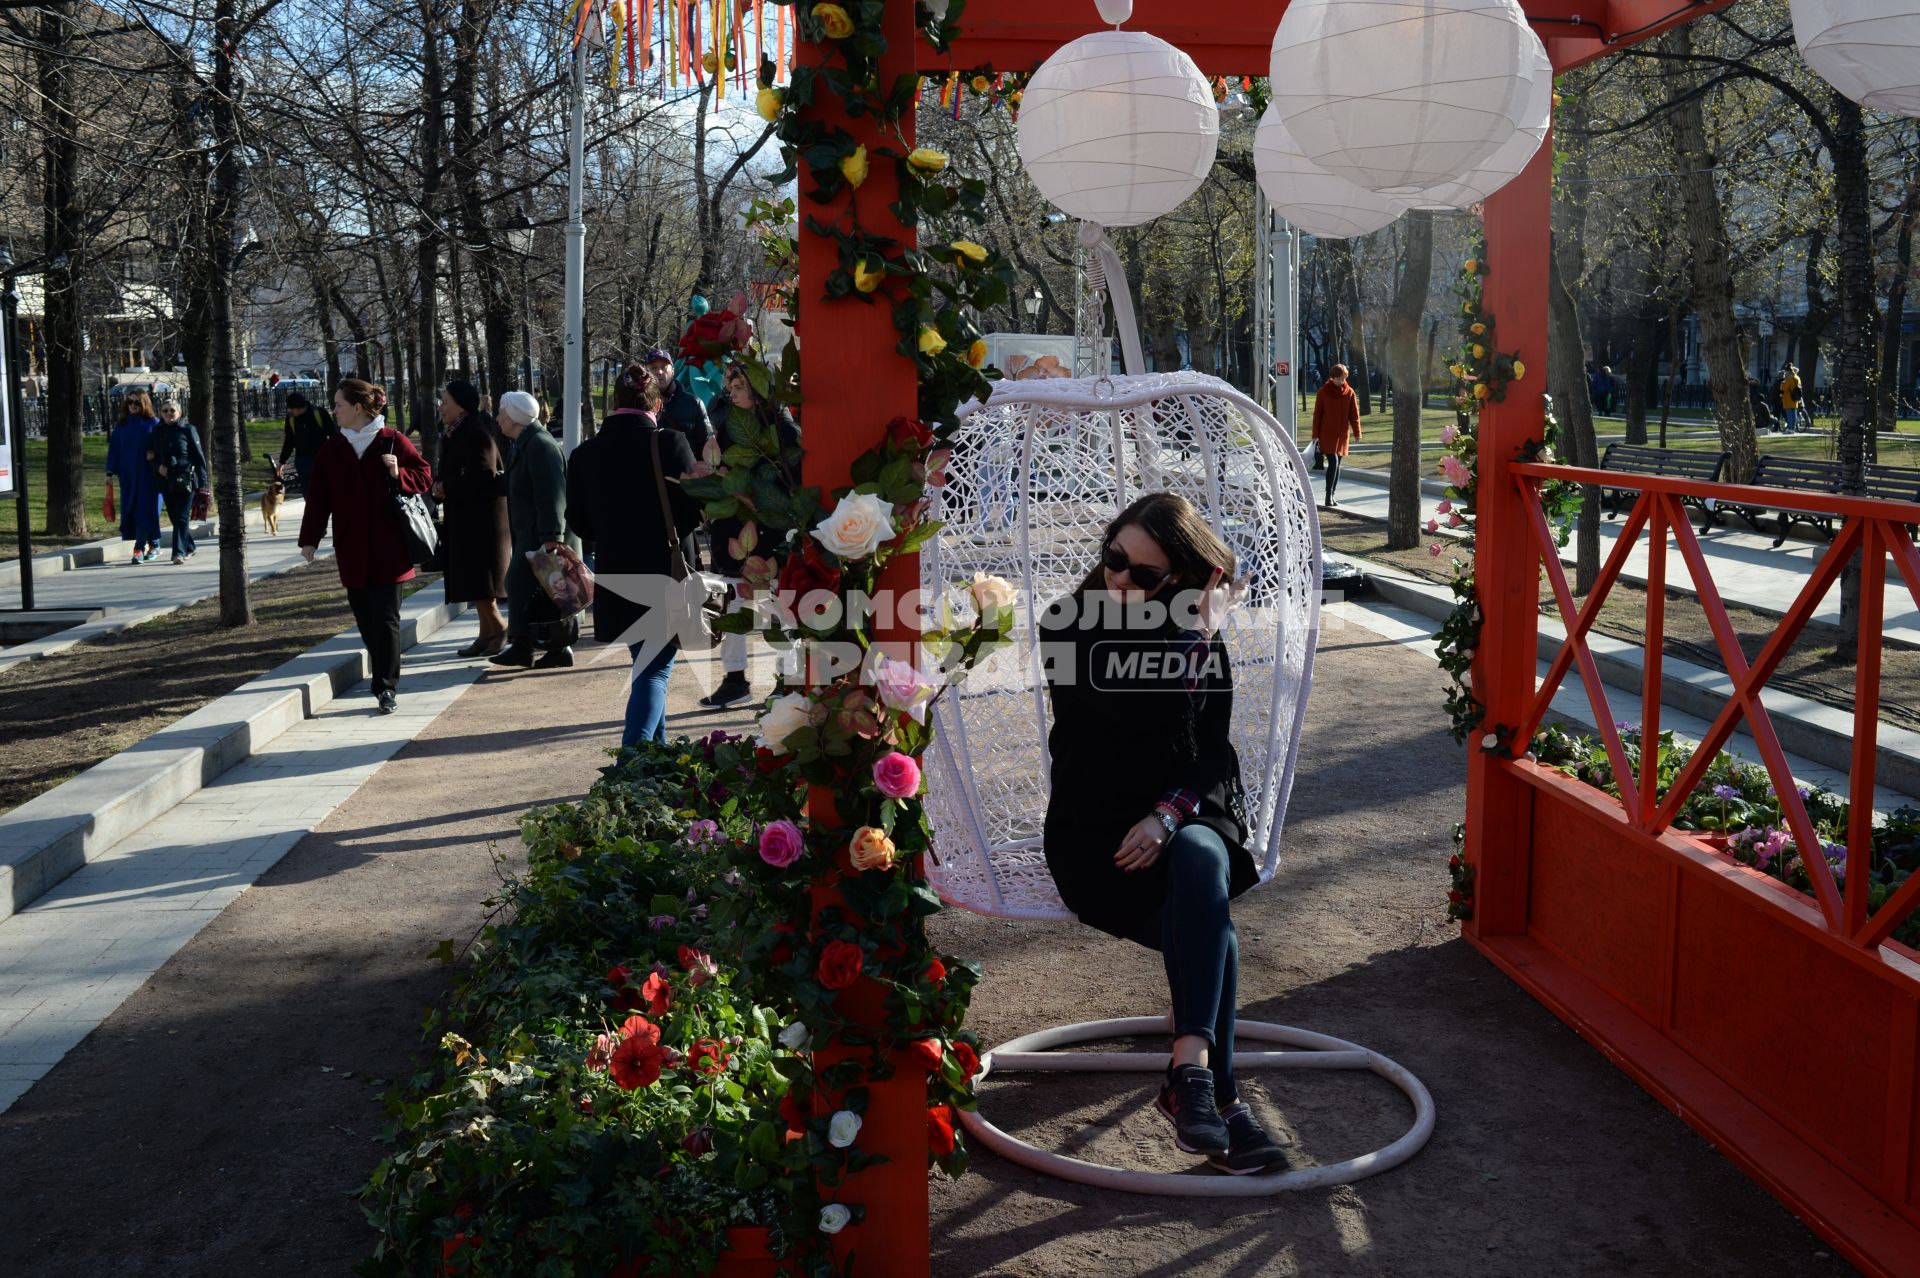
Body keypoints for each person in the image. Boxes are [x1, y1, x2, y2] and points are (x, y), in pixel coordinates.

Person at [1037, 492, 1282, 1175]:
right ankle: (1222, 1097)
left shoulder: (1194, 631)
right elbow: (1106, 748)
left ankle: (1191, 1075)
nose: (1121, 581)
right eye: (1115, 560)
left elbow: (1206, 753)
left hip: (1177, 825)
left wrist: (1168, 813)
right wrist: (1189, 648)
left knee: (1202, 853)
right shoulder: (1065, 626)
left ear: (1175, 577)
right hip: (1099, 839)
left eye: (1144, 575)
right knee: (1213, 928)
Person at [567, 364, 701, 746]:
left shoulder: (584, 454)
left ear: (614, 403)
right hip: (666, 573)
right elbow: (693, 513)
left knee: (648, 665)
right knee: (654, 671)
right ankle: (634, 761)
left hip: (616, 574)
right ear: (656, 404)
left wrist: (614, 534)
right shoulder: (670, 443)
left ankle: (653, 760)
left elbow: (579, 523)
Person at [297, 379, 433, 715]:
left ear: (357, 407)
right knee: (366, 621)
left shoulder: (392, 441)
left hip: (390, 548)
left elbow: (425, 476)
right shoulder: (333, 449)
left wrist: (399, 473)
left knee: (386, 618)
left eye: (339, 404)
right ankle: (383, 670)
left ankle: (385, 687)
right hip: (352, 549)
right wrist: (310, 539)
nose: (334, 411)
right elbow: (318, 499)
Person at [701, 359, 799, 708]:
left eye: (739, 386)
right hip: (733, 532)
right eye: (730, 387)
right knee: (733, 602)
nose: (732, 392)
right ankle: (734, 679)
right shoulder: (728, 424)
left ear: (759, 387)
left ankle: (788, 679)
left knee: (778, 605)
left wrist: (755, 496)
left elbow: (794, 484)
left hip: (772, 531)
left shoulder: (784, 430)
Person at [493, 389, 576, 670]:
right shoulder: (524, 444)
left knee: (526, 585)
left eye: (502, 412)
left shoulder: (540, 446)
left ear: (515, 417)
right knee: (537, 590)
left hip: (541, 535)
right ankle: (535, 646)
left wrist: (552, 537)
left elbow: (552, 494)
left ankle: (530, 646)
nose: (498, 418)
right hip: (532, 532)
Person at [433, 379, 510, 657]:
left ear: (460, 405)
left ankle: (499, 628)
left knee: (481, 581)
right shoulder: (457, 430)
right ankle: (486, 633)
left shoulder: (475, 431)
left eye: (445, 401)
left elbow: (482, 474)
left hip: (481, 522)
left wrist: (447, 486)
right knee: (475, 582)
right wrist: (440, 486)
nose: (441, 407)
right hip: (466, 517)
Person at [106, 390, 164, 563]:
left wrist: (157, 458)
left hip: (150, 476)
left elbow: (164, 448)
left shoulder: (154, 424)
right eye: (130, 402)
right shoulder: (122, 425)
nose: (132, 406)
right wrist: (109, 473)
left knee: (147, 511)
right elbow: (114, 451)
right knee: (134, 511)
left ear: (144, 404)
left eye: (137, 403)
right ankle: (154, 544)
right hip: (128, 476)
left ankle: (139, 549)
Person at [148, 397, 207, 564]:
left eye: (172, 410)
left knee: (181, 517)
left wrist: (203, 483)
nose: (169, 413)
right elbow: (150, 456)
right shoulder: (157, 431)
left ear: (179, 412)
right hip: (166, 481)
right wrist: (157, 467)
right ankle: (190, 547)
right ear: (161, 414)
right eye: (165, 410)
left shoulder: (188, 429)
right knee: (175, 518)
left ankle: (177, 553)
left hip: (185, 480)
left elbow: (198, 457)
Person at [644, 346, 712, 459]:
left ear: (673, 371)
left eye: (664, 367)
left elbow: (706, 443)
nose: (659, 372)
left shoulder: (694, 403)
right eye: (654, 368)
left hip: (686, 471)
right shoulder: (640, 404)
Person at [1311, 364, 1362, 509]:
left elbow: (1354, 415)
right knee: (1333, 462)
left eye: (1344, 378)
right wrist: (1315, 435)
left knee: (1338, 465)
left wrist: (1357, 432)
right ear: (1332, 378)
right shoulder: (1323, 393)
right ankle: (1328, 496)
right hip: (1326, 434)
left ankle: (1332, 495)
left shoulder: (1350, 392)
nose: (1342, 381)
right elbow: (1317, 416)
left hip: (1342, 435)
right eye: (1339, 378)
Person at [276, 391, 335, 493]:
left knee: (324, 490)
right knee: (308, 492)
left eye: (291, 408)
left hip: (321, 458)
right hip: (302, 461)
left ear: (297, 407)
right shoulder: (291, 418)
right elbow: (289, 441)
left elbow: (333, 435)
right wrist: (282, 462)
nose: (289, 410)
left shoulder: (319, 413)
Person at [1779, 364, 1804, 433]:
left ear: (1788, 371)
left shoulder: (1789, 379)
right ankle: (1793, 428)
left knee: (1789, 415)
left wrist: (1783, 383)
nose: (1785, 373)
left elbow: (1783, 389)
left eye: (1786, 371)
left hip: (1788, 398)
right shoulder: (1797, 378)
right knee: (1794, 414)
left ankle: (1789, 429)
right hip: (1795, 398)